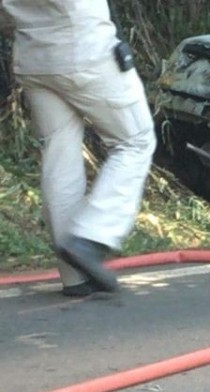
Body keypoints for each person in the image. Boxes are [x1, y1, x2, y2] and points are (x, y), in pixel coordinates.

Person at [0, 0, 156, 296]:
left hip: (34, 57)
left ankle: (75, 278)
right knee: (135, 140)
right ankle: (92, 238)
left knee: (59, 153)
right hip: (85, 48)